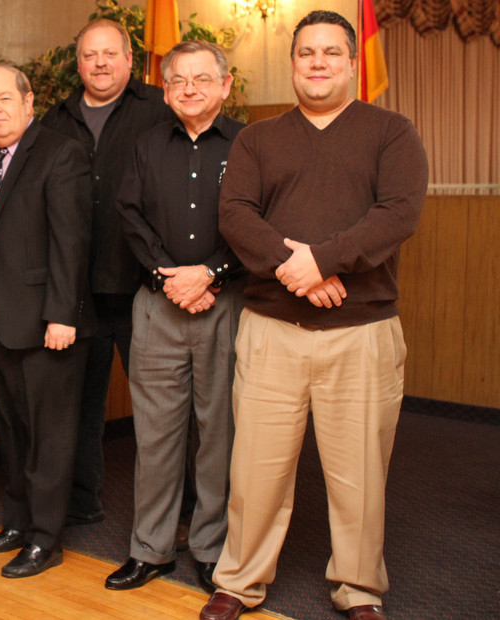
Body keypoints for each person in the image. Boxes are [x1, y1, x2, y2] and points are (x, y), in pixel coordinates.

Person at [198, 11, 428, 620]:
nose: (318, 62)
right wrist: (295, 269)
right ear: (293, 62)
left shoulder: (392, 131)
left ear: (353, 62)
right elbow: (237, 215)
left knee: (359, 478)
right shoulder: (256, 138)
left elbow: (398, 213)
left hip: (363, 335)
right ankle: (238, 582)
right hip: (272, 332)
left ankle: (358, 590)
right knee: (256, 472)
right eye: (306, 53)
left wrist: (323, 261)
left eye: (331, 52)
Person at [107, 41, 245, 594]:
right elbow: (129, 215)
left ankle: (212, 549)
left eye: (201, 79)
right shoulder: (145, 145)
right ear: (165, 89)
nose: (189, 89)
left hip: (227, 303)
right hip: (158, 307)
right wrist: (173, 276)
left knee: (219, 435)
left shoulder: (249, 145)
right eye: (178, 80)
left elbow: (258, 219)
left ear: (226, 84)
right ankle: (152, 548)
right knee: (156, 435)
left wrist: (209, 273)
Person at [0, 64, 93, 578]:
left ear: (28, 101)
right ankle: (17, 521)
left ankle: (45, 539)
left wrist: (62, 315)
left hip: (44, 324)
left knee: (48, 435)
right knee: (12, 430)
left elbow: (71, 244)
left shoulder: (60, 153)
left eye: (3, 99)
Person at [41, 18, 175, 525]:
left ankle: (175, 515)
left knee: (161, 412)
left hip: (144, 286)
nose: (99, 64)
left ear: (129, 59)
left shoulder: (160, 109)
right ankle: (81, 503)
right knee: (78, 407)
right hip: (76, 293)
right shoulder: (55, 119)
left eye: (108, 54)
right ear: (78, 64)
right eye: (89, 56)